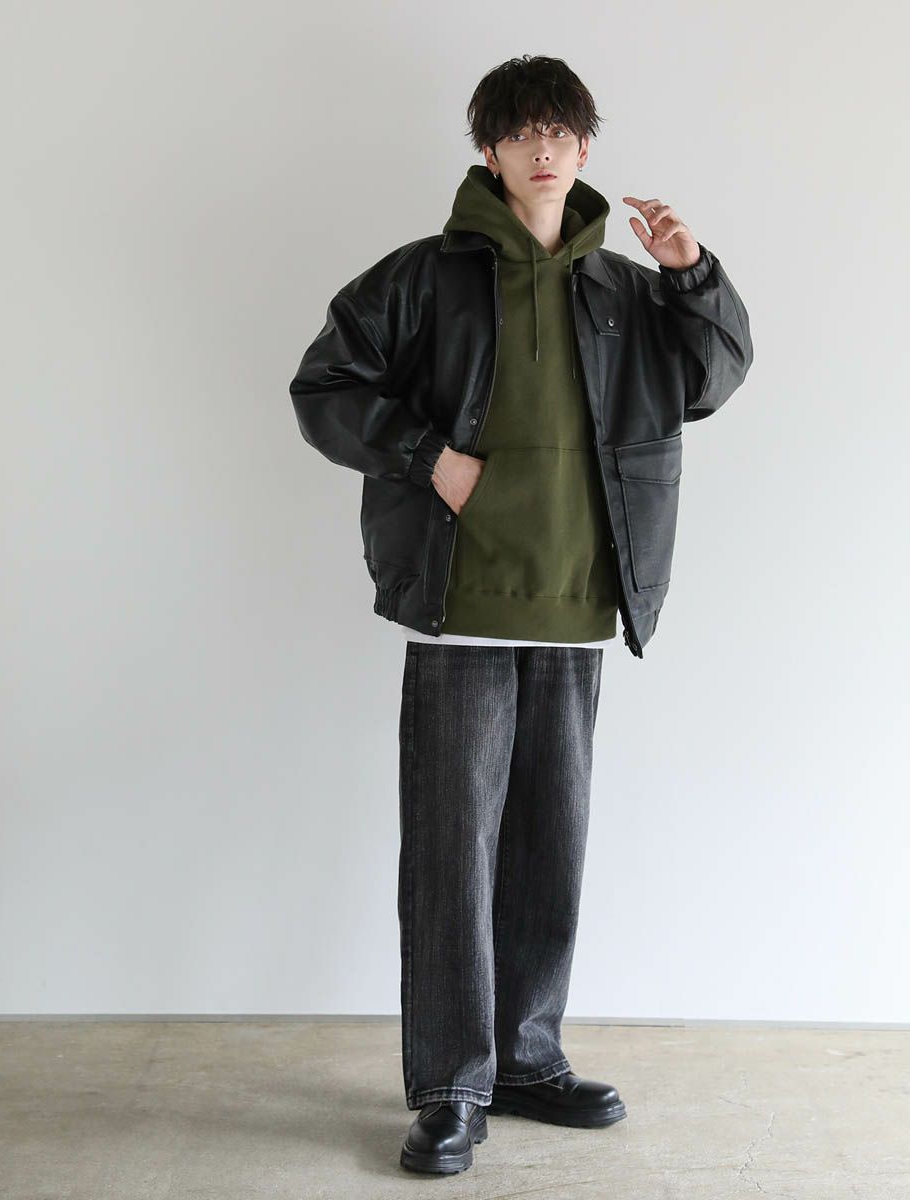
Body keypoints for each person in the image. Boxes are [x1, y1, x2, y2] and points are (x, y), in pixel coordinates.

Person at [289, 54, 753, 1176]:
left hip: (578, 601)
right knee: (453, 856)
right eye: (519, 132)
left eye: (560, 131)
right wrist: (428, 458)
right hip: (462, 604)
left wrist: (692, 274)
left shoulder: (626, 289)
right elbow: (325, 387)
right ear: (489, 151)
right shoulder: (423, 278)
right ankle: (452, 1085)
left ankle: (528, 1060)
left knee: (550, 846)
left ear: (585, 148)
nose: (543, 149)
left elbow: (712, 378)